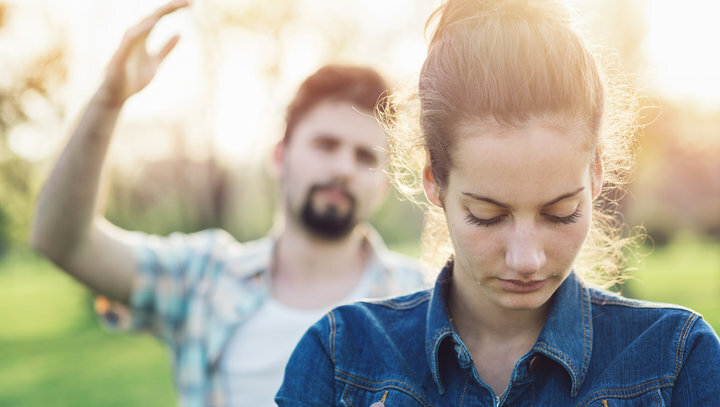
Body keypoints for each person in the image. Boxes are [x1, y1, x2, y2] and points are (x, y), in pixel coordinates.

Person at [276, 0, 720, 405]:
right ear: (434, 180)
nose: (526, 258)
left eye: (559, 212)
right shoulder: (340, 358)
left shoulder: (677, 359)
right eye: (486, 216)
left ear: (597, 173)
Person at [29, 1, 426, 406]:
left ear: (383, 185)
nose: (344, 168)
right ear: (279, 156)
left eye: (366, 156)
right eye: (326, 145)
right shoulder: (203, 279)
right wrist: (108, 101)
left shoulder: (426, 304)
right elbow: (64, 241)